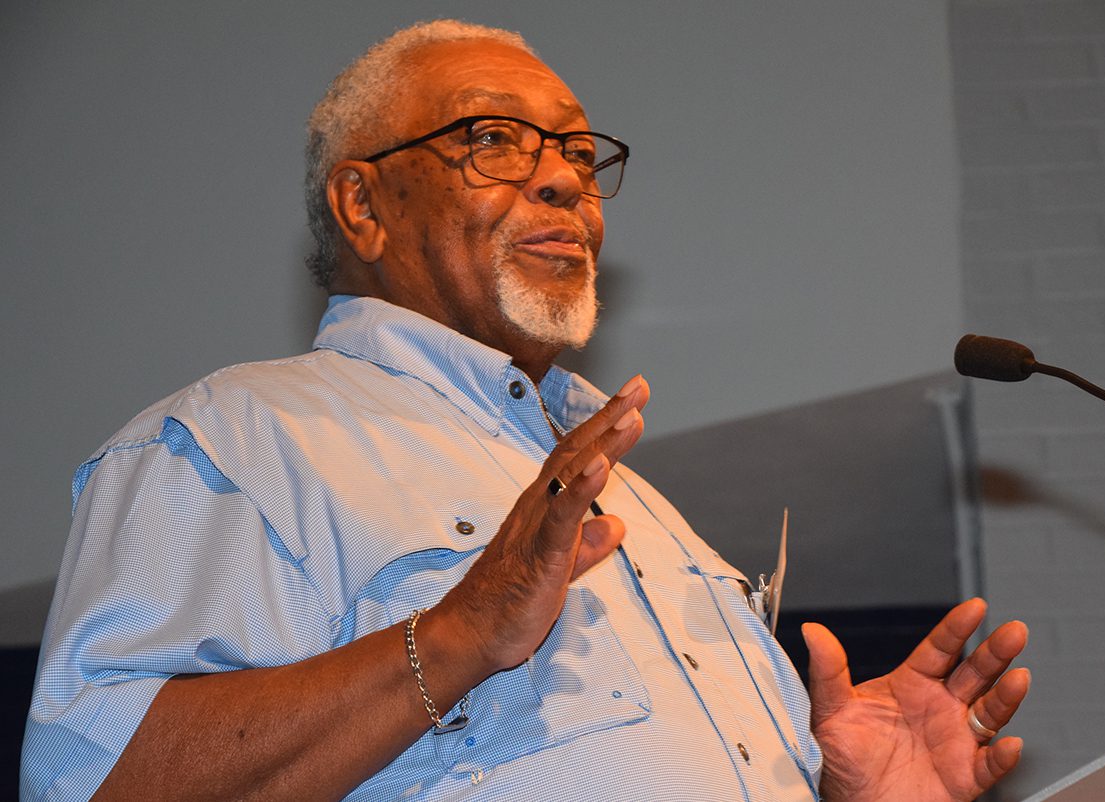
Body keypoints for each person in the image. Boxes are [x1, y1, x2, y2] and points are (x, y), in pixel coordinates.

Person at [21, 19, 1030, 802]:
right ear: (364, 206)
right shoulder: (240, 439)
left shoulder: (638, 503)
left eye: (582, 156)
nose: (563, 179)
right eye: (493, 138)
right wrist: (459, 634)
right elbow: (90, 781)